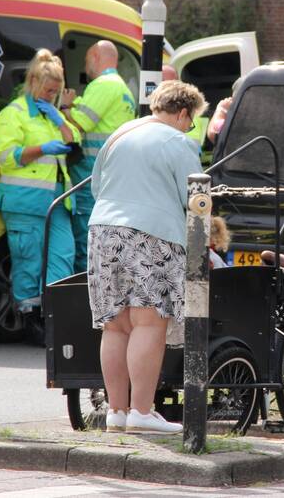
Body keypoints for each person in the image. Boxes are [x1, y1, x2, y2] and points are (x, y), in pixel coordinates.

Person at [86, 80, 206, 434]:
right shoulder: (179, 141)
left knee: (115, 324)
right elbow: (195, 197)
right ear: (183, 113)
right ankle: (142, 411)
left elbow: (96, 186)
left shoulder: (120, 133)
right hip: (152, 232)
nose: (189, 127)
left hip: (103, 230)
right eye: (191, 120)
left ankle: (117, 412)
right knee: (148, 321)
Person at [0, 49, 78, 344]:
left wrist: (61, 119)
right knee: (28, 261)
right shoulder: (13, 114)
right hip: (25, 201)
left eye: (56, 91)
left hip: (58, 201)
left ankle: (53, 316)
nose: (52, 95)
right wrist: (42, 149)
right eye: (48, 90)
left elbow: (74, 145)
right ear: (33, 82)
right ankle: (31, 320)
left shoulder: (51, 115)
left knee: (62, 258)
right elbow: (7, 157)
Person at [62, 40, 136, 274]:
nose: (85, 68)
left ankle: (84, 293)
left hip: (89, 175)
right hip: (109, 177)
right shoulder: (123, 89)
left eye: (86, 61)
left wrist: (64, 108)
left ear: (95, 56)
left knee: (86, 239)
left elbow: (79, 124)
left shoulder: (102, 85)